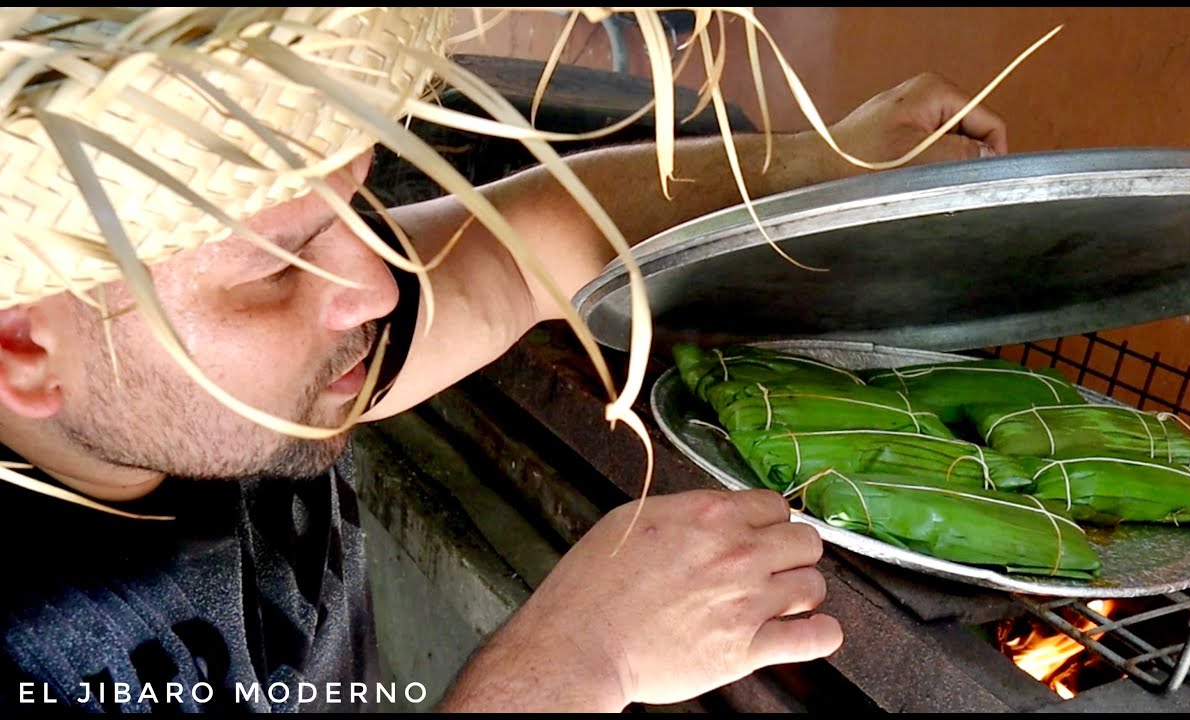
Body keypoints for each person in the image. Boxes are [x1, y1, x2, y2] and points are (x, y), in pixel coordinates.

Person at [0, 8, 1008, 713]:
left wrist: (829, 159)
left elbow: (530, 242)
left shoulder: (188, 381)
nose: (378, 284)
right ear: (24, 347)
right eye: (277, 266)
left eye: (357, 198)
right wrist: (570, 663)